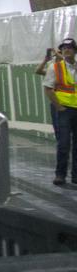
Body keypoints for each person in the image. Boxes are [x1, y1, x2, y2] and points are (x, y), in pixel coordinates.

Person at [43, 37, 77, 185]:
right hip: (63, 110)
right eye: (64, 48)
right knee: (63, 143)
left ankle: (75, 176)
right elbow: (48, 89)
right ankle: (60, 174)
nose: (67, 50)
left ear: (75, 51)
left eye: (69, 47)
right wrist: (59, 107)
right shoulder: (55, 67)